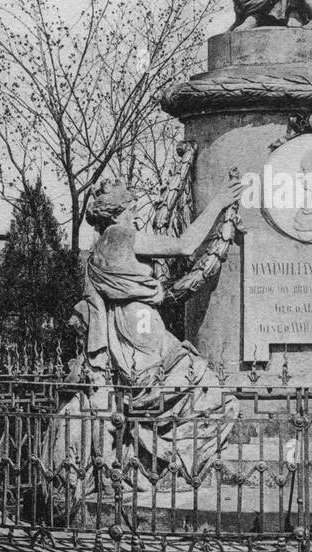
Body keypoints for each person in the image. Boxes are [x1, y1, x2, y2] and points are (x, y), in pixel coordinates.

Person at [52, 174, 241, 488]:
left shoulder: (104, 244)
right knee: (214, 397)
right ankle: (172, 468)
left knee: (180, 397)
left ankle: (152, 466)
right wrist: (218, 203)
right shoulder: (120, 236)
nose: (135, 214)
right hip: (142, 340)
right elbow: (184, 245)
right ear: (120, 211)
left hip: (135, 335)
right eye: (131, 208)